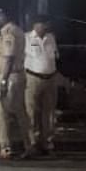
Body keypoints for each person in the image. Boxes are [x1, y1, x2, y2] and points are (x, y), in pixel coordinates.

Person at [0, 8, 30, 160]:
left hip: (8, 76)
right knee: (20, 112)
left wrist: (2, 81)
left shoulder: (9, 33)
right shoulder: (18, 31)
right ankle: (28, 144)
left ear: (6, 16)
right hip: (17, 75)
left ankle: (6, 148)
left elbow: (8, 58)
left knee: (3, 113)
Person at [24, 16, 60, 155]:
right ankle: (32, 142)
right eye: (41, 24)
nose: (43, 27)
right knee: (31, 111)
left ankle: (47, 142)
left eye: (46, 24)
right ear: (35, 25)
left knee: (49, 112)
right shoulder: (27, 38)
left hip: (50, 78)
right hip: (32, 78)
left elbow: (55, 57)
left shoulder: (51, 38)